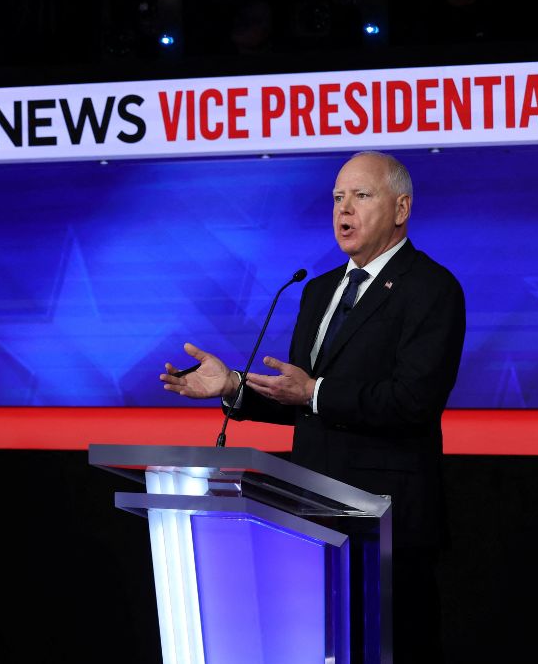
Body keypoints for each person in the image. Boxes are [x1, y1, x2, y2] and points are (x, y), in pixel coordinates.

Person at [160, 151, 465, 662]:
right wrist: (234, 385)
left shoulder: (432, 289)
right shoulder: (319, 290)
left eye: (361, 196)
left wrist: (314, 393)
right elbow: (298, 396)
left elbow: (413, 401)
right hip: (312, 518)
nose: (343, 210)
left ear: (401, 208)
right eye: (337, 198)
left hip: (389, 525)